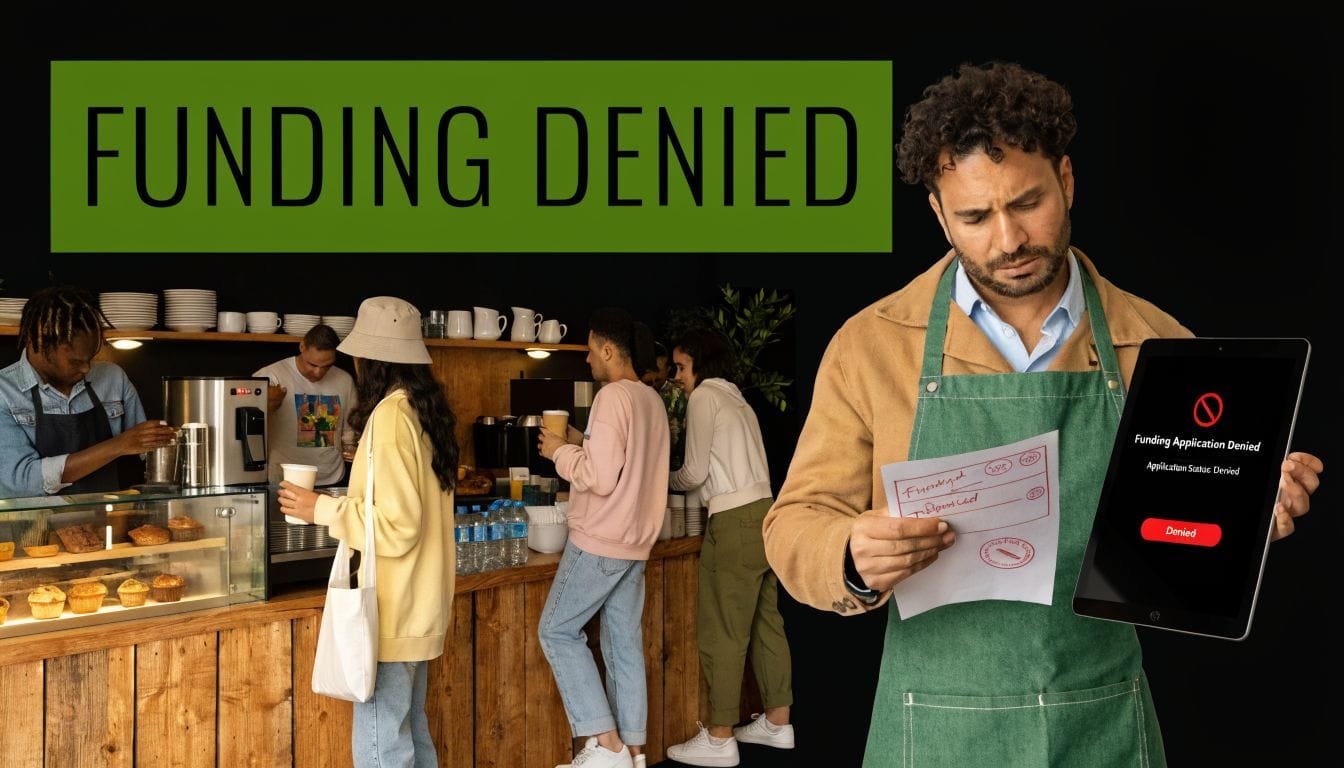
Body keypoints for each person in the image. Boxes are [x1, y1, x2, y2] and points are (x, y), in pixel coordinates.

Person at [761, 62, 1324, 767]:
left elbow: (1191, 535)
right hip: (933, 732)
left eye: (1027, 203)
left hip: (1104, 723)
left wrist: (1246, 518)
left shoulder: (1156, 342)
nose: (1007, 240)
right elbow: (794, 523)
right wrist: (848, 556)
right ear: (939, 214)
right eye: (973, 216)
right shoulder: (872, 346)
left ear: (1066, 179)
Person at [277, 296, 458, 768]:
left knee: (382, 749)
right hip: (419, 604)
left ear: (368, 359)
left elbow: (397, 527)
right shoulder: (423, 411)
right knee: (413, 736)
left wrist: (322, 508)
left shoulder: (391, 417)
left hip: (391, 612)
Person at [536, 307, 670, 768]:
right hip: (636, 543)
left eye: (591, 352)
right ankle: (634, 752)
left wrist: (559, 452)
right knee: (623, 645)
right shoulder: (650, 400)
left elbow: (601, 475)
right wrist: (578, 439)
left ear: (609, 350)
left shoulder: (612, 397)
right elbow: (624, 462)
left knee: (555, 630)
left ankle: (606, 745)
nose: (587, 361)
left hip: (601, 540)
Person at [664, 328, 795, 767]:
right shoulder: (737, 397)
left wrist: (662, 481)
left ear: (698, 362)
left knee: (721, 629)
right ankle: (778, 722)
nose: (676, 376)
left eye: (680, 366)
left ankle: (720, 738)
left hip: (734, 520)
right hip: (766, 514)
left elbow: (695, 472)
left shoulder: (704, 397)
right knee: (765, 623)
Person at [0, 285, 177, 497]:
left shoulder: (113, 378)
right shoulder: (5, 391)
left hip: (104, 524)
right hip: (33, 528)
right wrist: (118, 445)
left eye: (90, 358)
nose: (86, 368)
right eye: (75, 361)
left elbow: (146, 455)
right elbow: (22, 480)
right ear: (38, 341)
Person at [254, 324, 358, 487]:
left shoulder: (344, 380)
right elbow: (249, 426)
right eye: (312, 365)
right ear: (302, 347)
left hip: (331, 478)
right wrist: (268, 404)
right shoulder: (271, 376)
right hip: (284, 479)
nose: (318, 372)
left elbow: (349, 428)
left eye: (326, 366)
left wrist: (352, 448)